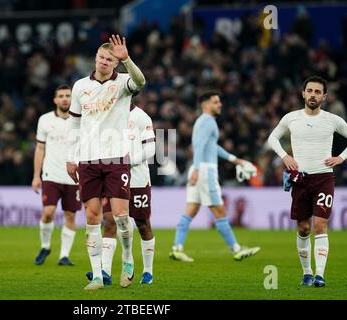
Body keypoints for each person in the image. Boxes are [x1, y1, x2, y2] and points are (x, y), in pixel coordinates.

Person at [66, 34, 146, 290]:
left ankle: (127, 257)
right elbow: (75, 123)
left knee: (121, 216)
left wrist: (128, 60)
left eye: (110, 59)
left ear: (115, 63)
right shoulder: (79, 87)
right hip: (88, 160)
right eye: (102, 57)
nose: (104, 61)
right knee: (92, 217)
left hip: (116, 159)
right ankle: (98, 275)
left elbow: (141, 81)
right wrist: (71, 156)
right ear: (96, 58)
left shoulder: (123, 82)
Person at [268, 75, 347, 288]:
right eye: (310, 91)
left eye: (317, 92)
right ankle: (307, 273)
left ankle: (320, 275)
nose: (313, 95)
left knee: (320, 225)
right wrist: (285, 156)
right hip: (300, 179)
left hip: (324, 178)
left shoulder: (332, 120)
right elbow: (272, 138)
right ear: (303, 93)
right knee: (303, 228)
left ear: (324, 96)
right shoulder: (291, 118)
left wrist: (341, 157)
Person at [169, 91, 260, 262]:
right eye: (216, 102)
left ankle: (177, 248)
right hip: (205, 171)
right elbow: (200, 147)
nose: (220, 105)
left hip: (199, 169)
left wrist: (234, 159)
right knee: (219, 210)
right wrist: (196, 169)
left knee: (191, 209)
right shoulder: (208, 122)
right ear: (205, 105)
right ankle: (236, 249)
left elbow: (211, 146)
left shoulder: (203, 122)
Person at [85, 103, 156, 285]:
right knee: (109, 221)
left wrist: (127, 162)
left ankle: (148, 271)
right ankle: (105, 271)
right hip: (112, 178)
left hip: (138, 179)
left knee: (142, 224)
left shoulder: (141, 116)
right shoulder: (106, 115)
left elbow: (151, 149)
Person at [32, 85, 81, 266]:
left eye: (68, 96)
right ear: (55, 100)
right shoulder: (44, 120)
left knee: (70, 215)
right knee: (48, 212)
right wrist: (36, 176)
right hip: (50, 174)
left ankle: (64, 256)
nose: (65, 99)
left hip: (73, 176)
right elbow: (40, 148)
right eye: (61, 96)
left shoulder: (80, 121)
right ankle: (45, 246)